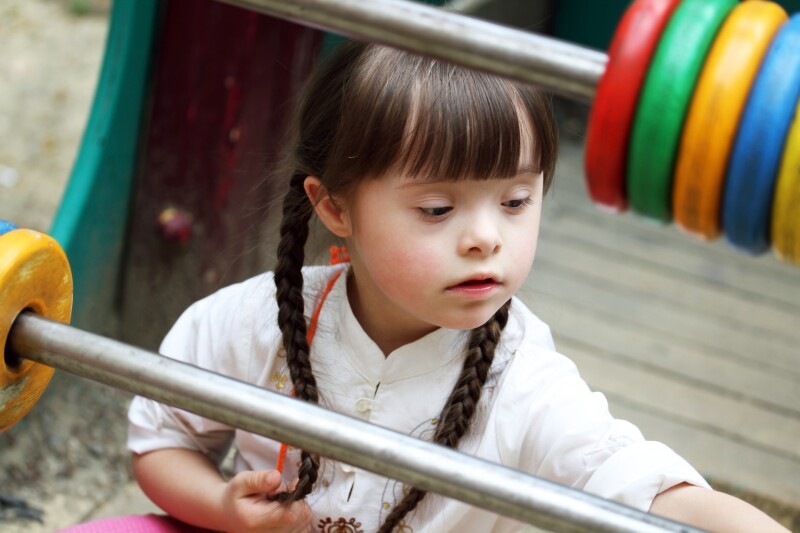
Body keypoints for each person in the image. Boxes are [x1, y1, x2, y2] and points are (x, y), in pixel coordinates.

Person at [122, 41, 789, 533]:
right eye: (438, 209)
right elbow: (162, 435)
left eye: (517, 200)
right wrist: (219, 507)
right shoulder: (257, 320)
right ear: (335, 208)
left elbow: (634, 481)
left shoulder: (522, 381)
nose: (484, 237)